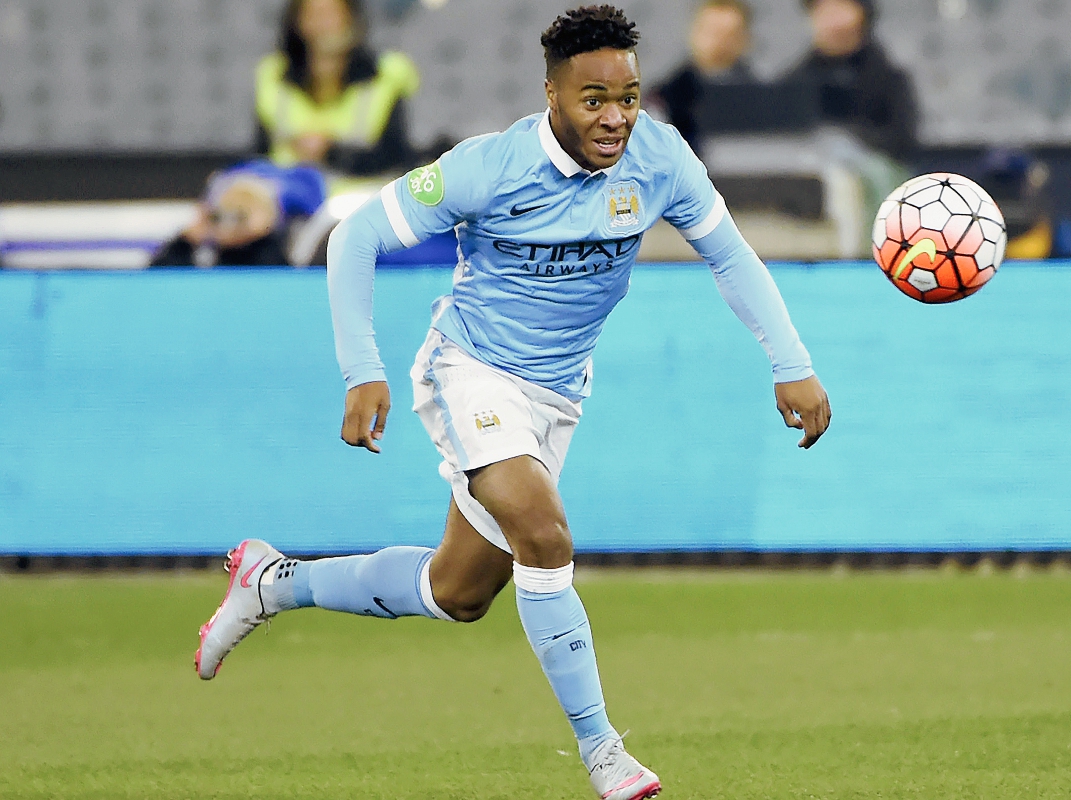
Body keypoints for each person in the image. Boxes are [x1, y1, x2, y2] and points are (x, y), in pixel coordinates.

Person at [194, 6, 831, 799]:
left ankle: (273, 582)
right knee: (544, 532)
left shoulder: (662, 159)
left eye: (628, 96)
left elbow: (730, 256)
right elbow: (353, 236)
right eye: (593, 98)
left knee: (457, 593)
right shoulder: (487, 167)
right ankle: (604, 754)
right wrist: (363, 368)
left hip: (559, 391)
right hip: (471, 370)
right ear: (552, 97)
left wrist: (791, 363)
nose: (615, 116)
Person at [254, 0, 420, 179]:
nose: (322, 25)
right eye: (312, 14)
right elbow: (259, 152)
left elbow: (396, 157)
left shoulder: (386, 75)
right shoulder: (273, 75)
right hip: (290, 191)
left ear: (351, 18)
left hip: (361, 192)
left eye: (331, 14)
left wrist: (331, 152)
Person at [780, 0, 917, 164]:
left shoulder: (888, 79)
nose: (832, 18)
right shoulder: (795, 82)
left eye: (840, 7)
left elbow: (901, 141)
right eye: (823, 9)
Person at [149, 160, 325, 267]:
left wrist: (258, 238)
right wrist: (186, 241)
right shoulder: (203, 255)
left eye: (241, 215)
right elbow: (155, 281)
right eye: (222, 215)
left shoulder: (274, 251)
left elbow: (279, 279)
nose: (232, 223)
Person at [651, 0, 755, 156]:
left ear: (746, 39)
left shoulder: (759, 98)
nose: (721, 42)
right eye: (713, 33)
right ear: (694, 33)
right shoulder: (666, 98)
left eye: (731, 35)